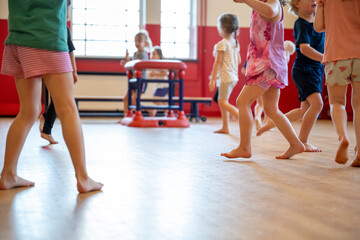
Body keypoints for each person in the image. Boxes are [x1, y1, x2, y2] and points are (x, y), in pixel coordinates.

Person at [0, 0, 103, 193]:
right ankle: (83, 178)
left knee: (28, 112)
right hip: (47, 40)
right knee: (68, 110)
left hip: (16, 41)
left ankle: (7, 174)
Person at [222, 0, 305, 159]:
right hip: (268, 63)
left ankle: (244, 147)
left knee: (243, 102)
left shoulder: (273, 3)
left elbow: (271, 11)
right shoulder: (261, 5)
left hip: (267, 64)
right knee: (271, 109)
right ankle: (296, 144)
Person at [257, 0, 325, 153]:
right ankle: (303, 141)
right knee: (317, 105)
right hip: (304, 70)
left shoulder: (319, 22)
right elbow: (305, 49)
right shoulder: (300, 24)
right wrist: (325, 57)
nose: (314, 1)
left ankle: (273, 122)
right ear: (297, 4)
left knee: (304, 111)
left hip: (316, 70)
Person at [314, 0, 360, 166]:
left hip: (336, 55)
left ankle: (343, 137)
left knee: (337, 103)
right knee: (359, 105)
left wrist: (320, 4)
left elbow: (318, 26)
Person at [39, 0, 78, 145]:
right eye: (68, 8)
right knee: (61, 99)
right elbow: (70, 52)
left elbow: (70, 50)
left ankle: (46, 125)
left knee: (57, 99)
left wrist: (74, 71)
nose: (68, 13)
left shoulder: (60, 28)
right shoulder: (62, 28)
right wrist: (74, 71)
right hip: (58, 68)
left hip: (53, 67)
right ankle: (47, 128)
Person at [209, 13, 240, 134]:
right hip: (233, 77)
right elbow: (239, 61)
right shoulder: (234, 42)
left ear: (221, 28)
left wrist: (212, 79)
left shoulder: (222, 44)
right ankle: (225, 127)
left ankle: (241, 116)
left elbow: (217, 62)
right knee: (223, 102)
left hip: (226, 77)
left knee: (222, 102)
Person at [121, 30, 152, 116]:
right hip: (134, 80)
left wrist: (131, 63)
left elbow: (142, 66)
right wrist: (127, 62)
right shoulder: (135, 54)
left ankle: (149, 110)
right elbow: (132, 67)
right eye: (135, 41)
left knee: (135, 101)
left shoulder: (144, 54)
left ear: (144, 43)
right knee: (126, 98)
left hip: (141, 80)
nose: (137, 43)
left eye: (139, 41)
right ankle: (126, 116)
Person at [147, 46, 169, 117]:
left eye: (154, 54)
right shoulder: (154, 64)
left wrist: (154, 74)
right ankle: (168, 113)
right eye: (151, 54)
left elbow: (165, 73)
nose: (152, 56)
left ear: (159, 56)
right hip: (159, 85)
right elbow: (150, 75)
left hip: (163, 85)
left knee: (155, 99)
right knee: (164, 101)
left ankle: (167, 111)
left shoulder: (162, 63)